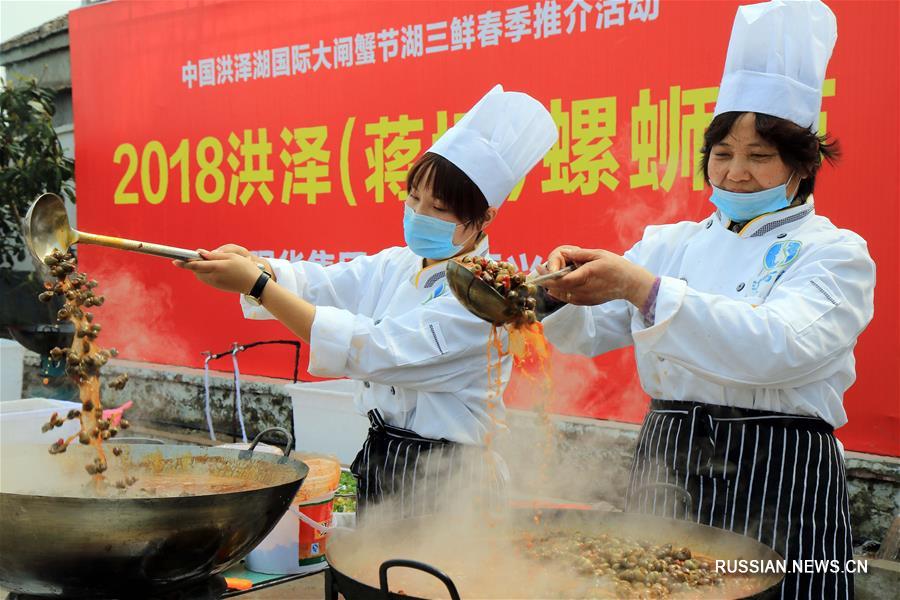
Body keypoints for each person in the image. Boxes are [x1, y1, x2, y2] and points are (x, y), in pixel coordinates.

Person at [537, 1, 874, 598]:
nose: (736, 173)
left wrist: (643, 288)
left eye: (759, 156)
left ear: (802, 168)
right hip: (669, 457)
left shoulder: (836, 254)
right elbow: (595, 331)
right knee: (654, 586)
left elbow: (782, 345)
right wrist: (558, 295)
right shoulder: (670, 243)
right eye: (722, 155)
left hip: (780, 471)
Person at [176, 85, 557, 520]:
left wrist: (261, 287)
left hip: (453, 479)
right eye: (414, 198)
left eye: (439, 208)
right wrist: (259, 267)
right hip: (385, 457)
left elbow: (377, 349)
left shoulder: (489, 303)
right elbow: (323, 283)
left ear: (484, 218)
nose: (418, 213)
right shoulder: (398, 264)